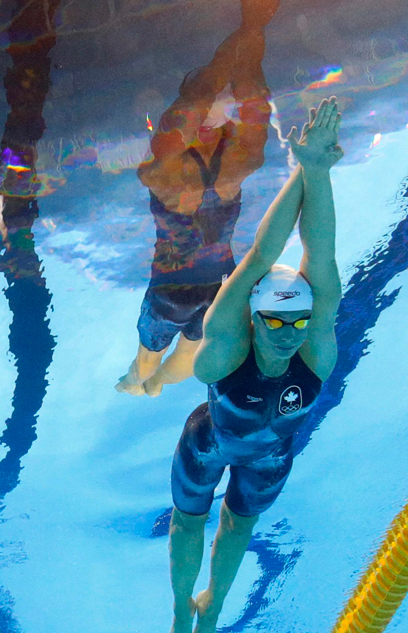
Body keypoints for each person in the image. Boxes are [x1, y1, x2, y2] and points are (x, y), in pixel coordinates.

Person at [166, 97, 343, 633]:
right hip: (209, 442)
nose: (290, 331)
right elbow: (263, 255)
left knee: (239, 528)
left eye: (300, 318)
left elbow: (322, 251)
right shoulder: (225, 345)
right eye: (276, 318)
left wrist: (315, 169)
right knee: (189, 523)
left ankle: (214, 604)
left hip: (270, 456)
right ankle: (178, 609)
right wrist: (305, 169)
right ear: (253, 317)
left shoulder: (315, 349)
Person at [117, 0, 279, 396]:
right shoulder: (240, 161)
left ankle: (142, 382)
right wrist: (252, 27)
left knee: (147, 357)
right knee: (187, 361)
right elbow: (254, 100)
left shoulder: (165, 167)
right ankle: (152, 384)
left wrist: (246, 32)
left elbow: (203, 97)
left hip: (170, 290)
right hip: (220, 285)